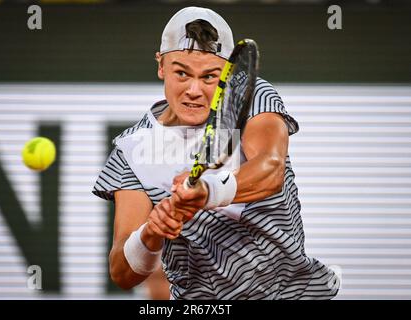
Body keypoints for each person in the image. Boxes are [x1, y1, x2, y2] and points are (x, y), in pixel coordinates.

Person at [93, 6, 340, 299]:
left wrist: (206, 193)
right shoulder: (131, 151)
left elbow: (271, 169)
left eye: (209, 77)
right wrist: (151, 233)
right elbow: (122, 273)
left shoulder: (252, 97)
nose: (194, 90)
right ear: (161, 66)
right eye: (182, 73)